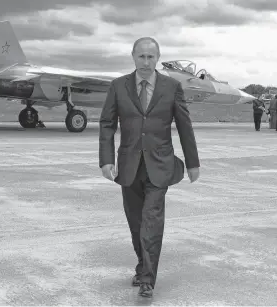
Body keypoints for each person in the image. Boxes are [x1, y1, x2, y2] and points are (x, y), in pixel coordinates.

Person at [98, 37, 200, 298]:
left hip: (160, 165)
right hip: (129, 166)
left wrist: (192, 163)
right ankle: (143, 264)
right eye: (141, 56)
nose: (145, 62)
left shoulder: (172, 86)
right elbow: (107, 124)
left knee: (151, 221)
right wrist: (106, 159)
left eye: (150, 57)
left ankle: (147, 279)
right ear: (133, 57)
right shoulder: (118, 86)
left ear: (157, 58)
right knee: (135, 222)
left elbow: (184, 126)